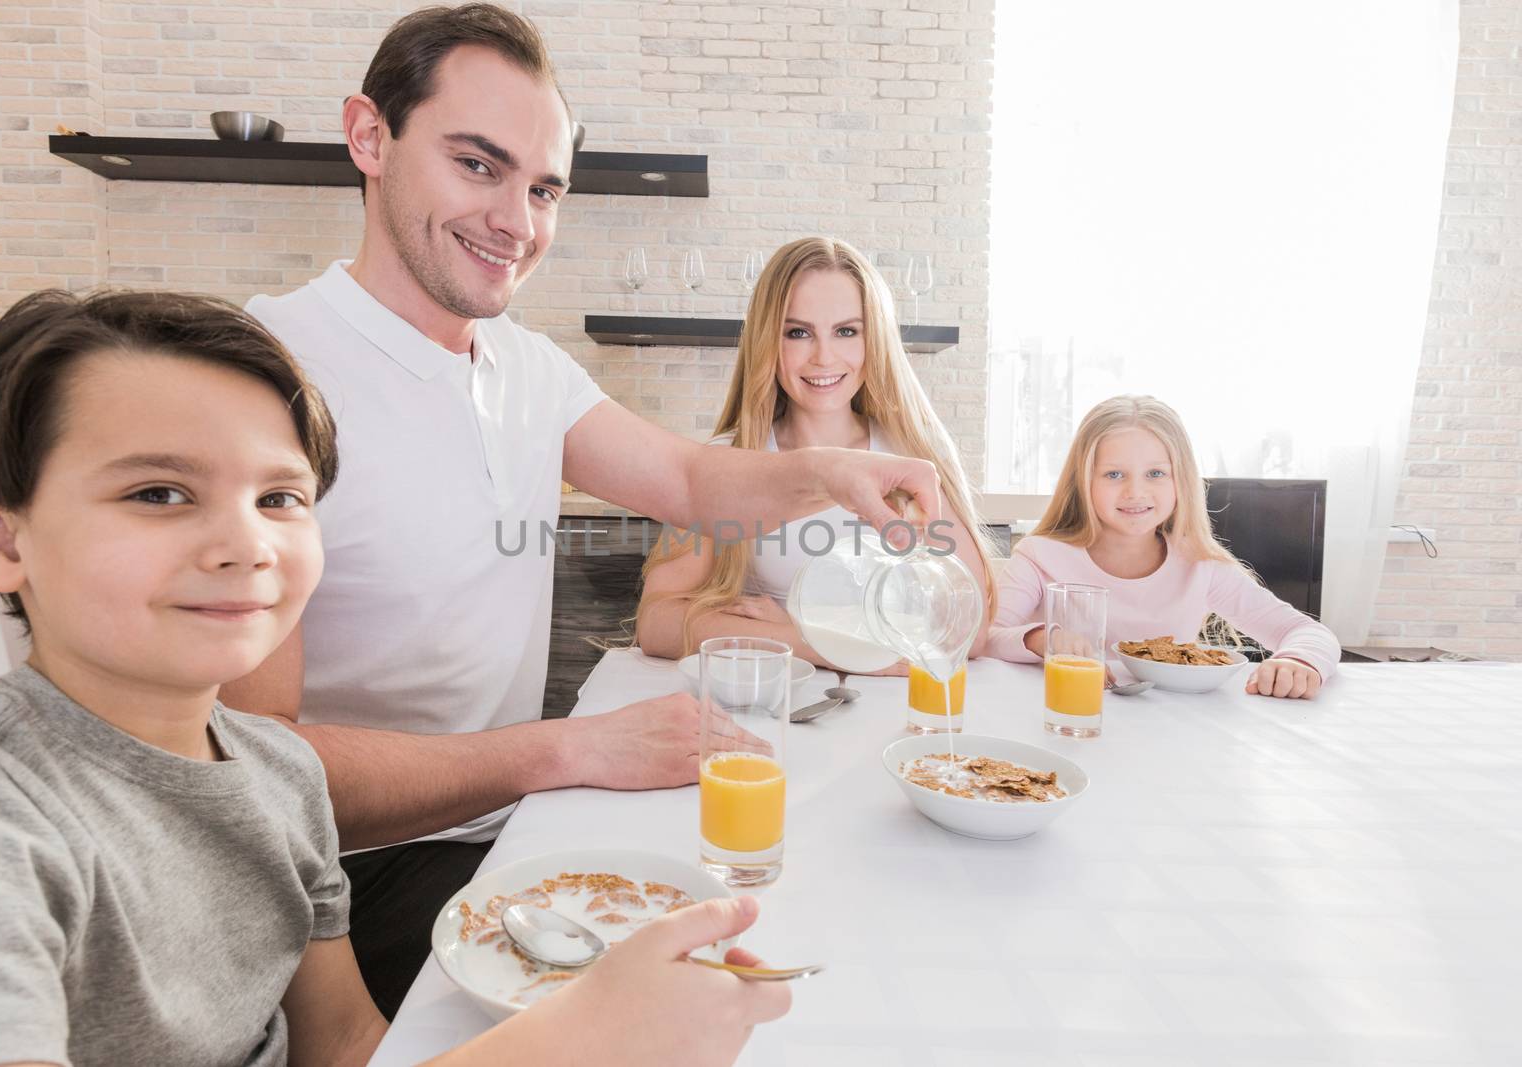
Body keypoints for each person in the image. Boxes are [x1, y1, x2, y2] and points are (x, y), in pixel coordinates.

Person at [226, 4, 938, 1015]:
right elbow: (257, 771)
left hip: (512, 827)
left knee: (817, 926)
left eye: (544, 187)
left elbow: (693, 482)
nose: (517, 221)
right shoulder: (269, 374)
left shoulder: (526, 366)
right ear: (369, 137)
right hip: (348, 882)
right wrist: (566, 747)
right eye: (478, 165)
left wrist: (835, 475)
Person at [0, 288, 789, 1067]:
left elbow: (343, 1045)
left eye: (280, 498)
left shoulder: (278, 775)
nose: (246, 546)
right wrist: (571, 1044)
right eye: (158, 493)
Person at [635, 237, 996, 668]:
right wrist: (816, 642)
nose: (824, 357)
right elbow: (656, 623)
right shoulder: (729, 459)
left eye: (846, 331)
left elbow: (966, 631)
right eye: (798, 332)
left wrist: (792, 629)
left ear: (874, 340)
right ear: (768, 340)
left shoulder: (913, 459)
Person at [983, 395, 1340, 698]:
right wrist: (1041, 639)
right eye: (1113, 474)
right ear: (1083, 482)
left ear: (1179, 481)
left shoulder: (1201, 566)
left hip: (1169, 734)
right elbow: (985, 638)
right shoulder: (1041, 555)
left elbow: (1307, 632)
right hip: (1062, 719)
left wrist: (1299, 661)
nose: (1135, 492)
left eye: (1155, 474)